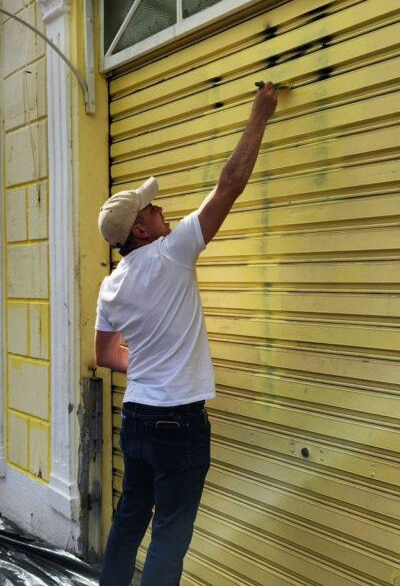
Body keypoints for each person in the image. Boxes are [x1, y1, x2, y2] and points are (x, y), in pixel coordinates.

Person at [95, 82, 281, 584]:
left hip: (136, 419)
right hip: (177, 423)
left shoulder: (110, 286)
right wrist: (260, 112)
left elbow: (104, 354)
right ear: (140, 230)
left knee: (130, 519)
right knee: (171, 534)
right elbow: (230, 185)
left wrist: (150, 366)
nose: (162, 210)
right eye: (152, 210)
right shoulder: (171, 252)